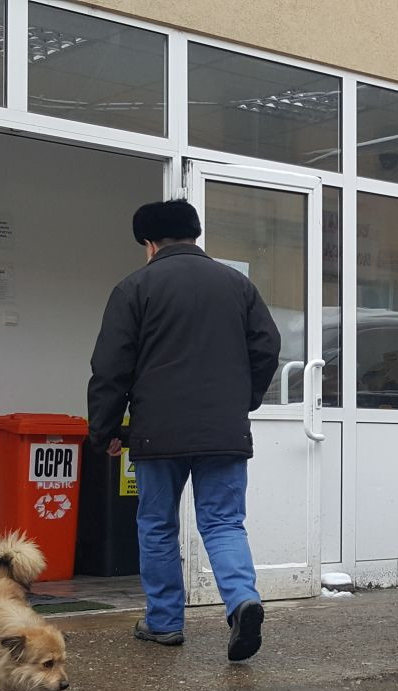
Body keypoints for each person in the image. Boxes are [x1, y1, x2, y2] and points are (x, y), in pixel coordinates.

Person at [87, 200, 280, 661]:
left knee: (156, 526)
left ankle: (164, 622)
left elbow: (110, 365)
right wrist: (243, 401)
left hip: (158, 433)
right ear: (194, 235)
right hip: (224, 431)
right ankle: (241, 602)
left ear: (150, 244)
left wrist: (106, 428)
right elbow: (267, 348)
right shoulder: (238, 285)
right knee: (224, 522)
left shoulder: (135, 287)